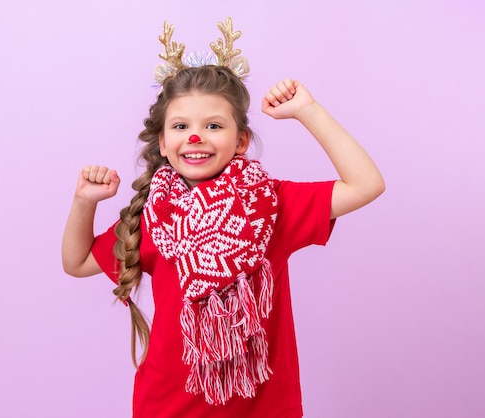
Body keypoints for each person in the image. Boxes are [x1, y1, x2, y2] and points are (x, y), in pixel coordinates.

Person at [62, 18, 384, 418]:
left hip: (264, 407)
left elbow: (366, 183)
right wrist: (83, 201)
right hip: (167, 406)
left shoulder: (270, 204)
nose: (196, 137)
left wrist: (308, 111)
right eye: (181, 126)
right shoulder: (153, 217)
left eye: (213, 125)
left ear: (241, 140)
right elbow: (76, 263)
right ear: (163, 142)